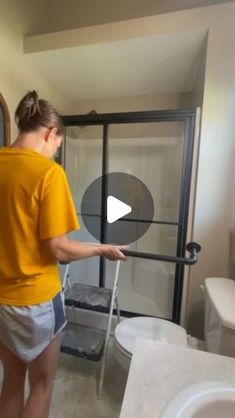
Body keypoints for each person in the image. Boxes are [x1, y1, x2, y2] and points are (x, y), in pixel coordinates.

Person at [0, 90, 127, 418]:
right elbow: (58, 250)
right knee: (42, 385)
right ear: (50, 133)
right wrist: (102, 248)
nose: (56, 151)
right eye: (58, 144)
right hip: (37, 301)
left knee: (11, 382)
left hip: (1, 301)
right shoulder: (48, 173)